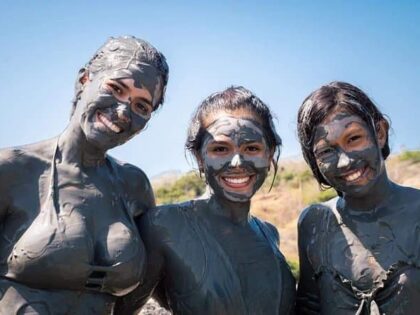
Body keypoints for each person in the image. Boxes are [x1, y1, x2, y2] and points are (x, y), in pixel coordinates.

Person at [0, 36, 168, 313]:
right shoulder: (12, 170)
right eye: (115, 88)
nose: (124, 111)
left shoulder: (134, 187)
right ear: (84, 80)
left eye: (141, 106)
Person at [115, 86, 296, 314]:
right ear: (199, 158)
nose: (237, 162)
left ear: (269, 155)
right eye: (220, 148)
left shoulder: (270, 234)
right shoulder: (164, 226)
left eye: (252, 148)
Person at [296, 81, 420, 314]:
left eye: (354, 138)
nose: (345, 161)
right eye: (325, 151)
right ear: (314, 161)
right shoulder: (314, 223)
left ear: (379, 133)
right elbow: (309, 306)